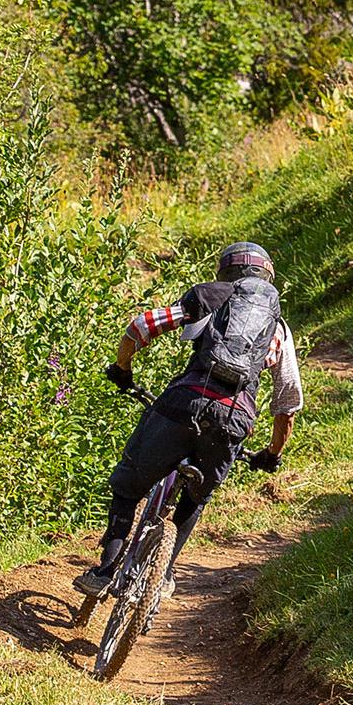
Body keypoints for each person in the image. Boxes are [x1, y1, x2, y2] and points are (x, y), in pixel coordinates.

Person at [74, 242, 304, 599]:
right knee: (195, 499)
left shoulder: (212, 297)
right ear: (267, 274)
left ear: (225, 271)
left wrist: (123, 369)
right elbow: (287, 400)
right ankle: (162, 575)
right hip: (234, 418)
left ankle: (105, 570)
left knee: (128, 486)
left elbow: (142, 326)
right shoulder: (278, 328)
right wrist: (271, 453)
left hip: (185, 403)